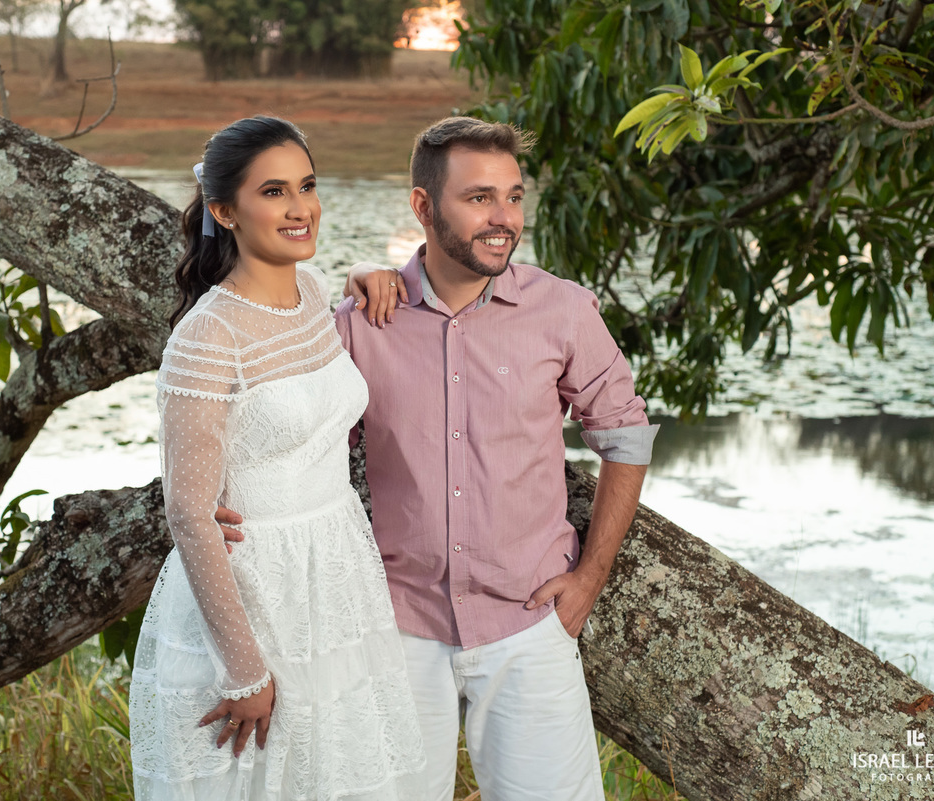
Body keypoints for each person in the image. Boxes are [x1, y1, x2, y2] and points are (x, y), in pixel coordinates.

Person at [228, 116, 658, 800]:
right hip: (396, 631)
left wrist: (590, 576)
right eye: (479, 197)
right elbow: (298, 458)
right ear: (424, 206)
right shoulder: (362, 325)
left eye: (514, 196)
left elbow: (626, 436)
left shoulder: (564, 311)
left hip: (528, 627)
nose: (503, 218)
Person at [128, 115, 426, 801]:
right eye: (274, 192)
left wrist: (365, 273)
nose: (300, 208)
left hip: (333, 579)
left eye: (307, 185)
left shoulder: (313, 293)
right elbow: (189, 512)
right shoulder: (209, 335)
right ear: (224, 210)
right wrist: (243, 672)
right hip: (254, 596)